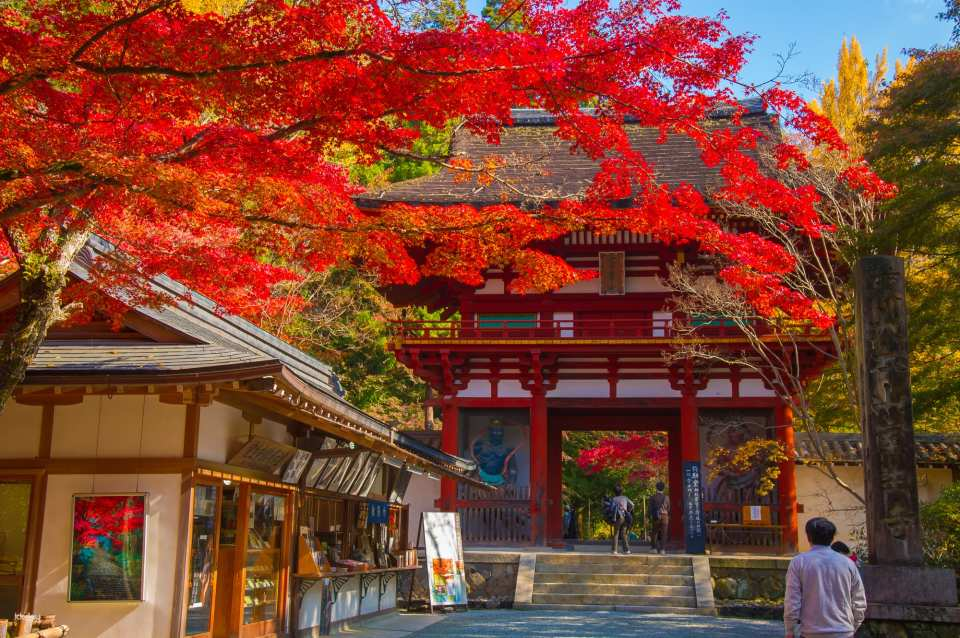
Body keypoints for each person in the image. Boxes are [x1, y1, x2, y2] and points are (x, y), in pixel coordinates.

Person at [785, 518, 867, 638]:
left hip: (810, 632)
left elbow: (792, 601)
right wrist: (853, 626)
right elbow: (859, 600)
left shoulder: (799, 562)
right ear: (832, 538)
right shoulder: (848, 563)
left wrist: (790, 629)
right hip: (843, 630)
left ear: (808, 537)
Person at [609, 484, 634, 554]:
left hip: (617, 518)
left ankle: (614, 550)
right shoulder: (625, 498)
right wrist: (628, 510)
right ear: (621, 491)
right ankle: (626, 550)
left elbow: (611, 509)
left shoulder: (613, 499)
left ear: (614, 492)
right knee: (623, 534)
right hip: (625, 517)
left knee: (616, 533)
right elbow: (632, 504)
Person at [648, 481, 670, 554]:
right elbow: (669, 508)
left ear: (656, 488)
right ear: (663, 488)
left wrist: (648, 517)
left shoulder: (652, 497)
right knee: (664, 533)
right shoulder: (667, 498)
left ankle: (654, 548)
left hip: (656, 517)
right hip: (665, 517)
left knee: (654, 533)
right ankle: (662, 549)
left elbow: (650, 509)